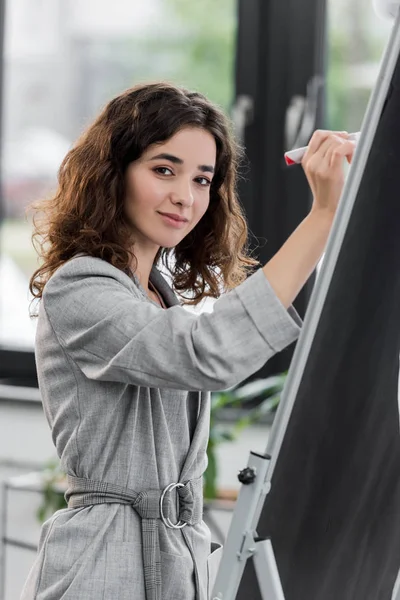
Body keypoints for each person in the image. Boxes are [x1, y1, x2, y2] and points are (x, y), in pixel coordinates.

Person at [21, 82, 356, 600]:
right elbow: (206, 353)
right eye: (163, 169)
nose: (186, 195)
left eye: (203, 179)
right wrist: (323, 216)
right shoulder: (79, 289)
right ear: (114, 174)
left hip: (177, 560)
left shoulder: (158, 296)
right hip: (99, 566)